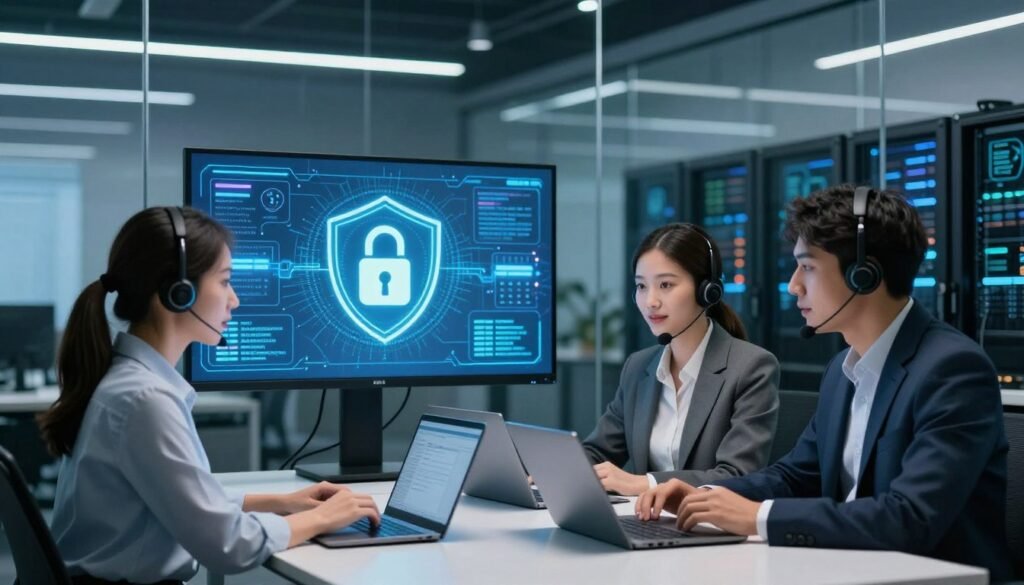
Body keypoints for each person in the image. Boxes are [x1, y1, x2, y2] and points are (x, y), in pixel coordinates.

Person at [635, 186, 1013, 580]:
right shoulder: (842, 369)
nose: (794, 285)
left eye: (808, 267)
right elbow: (796, 476)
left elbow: (911, 518)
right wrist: (705, 497)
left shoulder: (952, 369)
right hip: (849, 568)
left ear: (863, 275)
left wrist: (759, 516)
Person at [38, 207, 380, 585]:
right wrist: (321, 518)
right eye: (225, 281)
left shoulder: (129, 384)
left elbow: (176, 499)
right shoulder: (143, 400)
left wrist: (282, 502)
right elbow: (229, 546)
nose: (234, 300)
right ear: (177, 293)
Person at [581, 223, 779, 496]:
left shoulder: (751, 367)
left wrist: (645, 483)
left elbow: (737, 474)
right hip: (646, 522)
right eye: (641, 286)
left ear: (707, 290)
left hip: (711, 528)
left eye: (665, 285)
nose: (650, 301)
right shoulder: (638, 367)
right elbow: (598, 452)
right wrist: (550, 472)